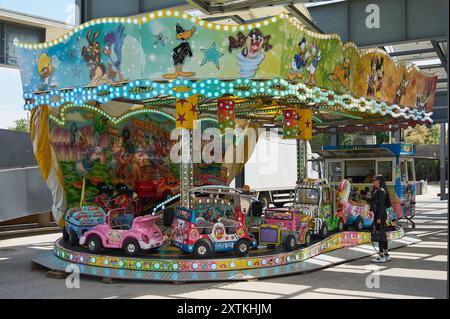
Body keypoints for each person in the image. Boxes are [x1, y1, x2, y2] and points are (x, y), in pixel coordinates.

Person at [370, 175, 392, 263]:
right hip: (382, 215)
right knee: (383, 234)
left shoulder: (380, 191)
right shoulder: (382, 190)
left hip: (380, 216)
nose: (373, 182)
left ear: (379, 181)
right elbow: (386, 204)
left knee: (380, 235)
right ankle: (386, 254)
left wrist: (378, 217)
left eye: (374, 180)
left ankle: (381, 255)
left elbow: (381, 205)